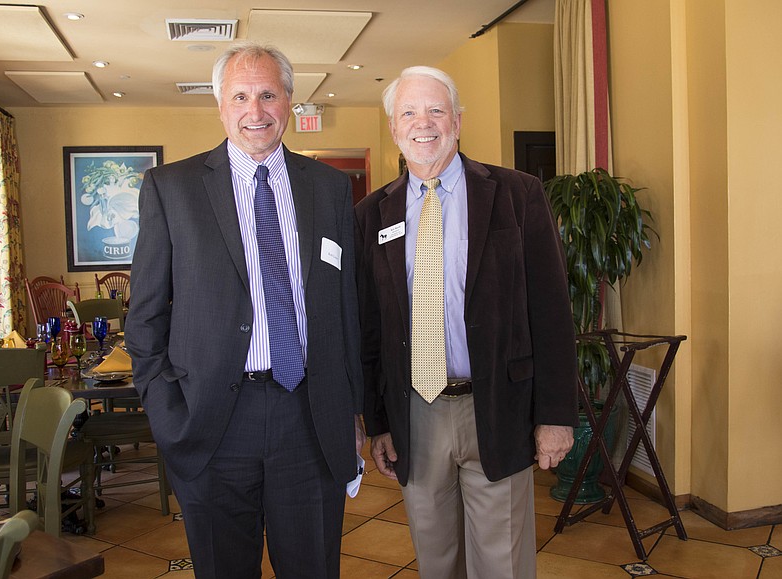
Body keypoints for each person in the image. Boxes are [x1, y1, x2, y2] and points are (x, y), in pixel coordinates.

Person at [125, 41, 365, 578]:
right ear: (219, 104)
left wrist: (351, 411)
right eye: (240, 96)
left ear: (289, 102)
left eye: (267, 95)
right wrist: (168, 415)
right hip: (210, 421)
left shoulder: (328, 189)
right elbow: (143, 319)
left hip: (307, 418)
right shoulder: (172, 188)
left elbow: (345, 310)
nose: (254, 111)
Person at [354, 66, 578, 578]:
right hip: (417, 414)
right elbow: (371, 330)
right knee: (437, 561)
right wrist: (379, 421)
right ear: (393, 127)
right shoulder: (372, 215)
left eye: (436, 110)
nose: (423, 123)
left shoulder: (517, 195)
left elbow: (551, 312)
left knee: (503, 562)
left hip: (499, 406)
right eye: (409, 112)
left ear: (457, 120)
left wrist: (557, 414)